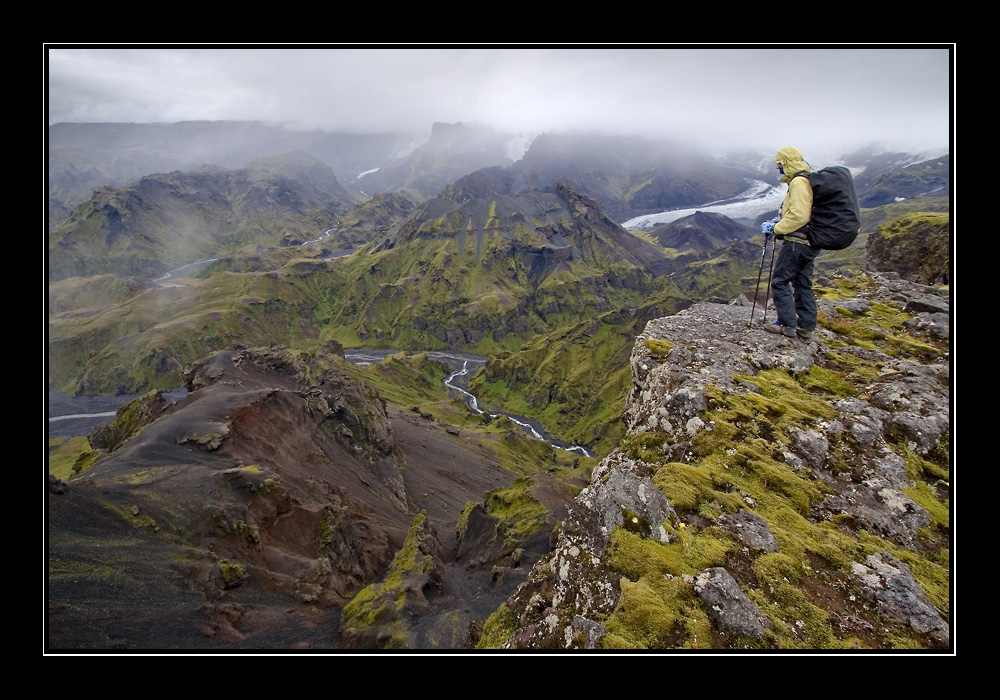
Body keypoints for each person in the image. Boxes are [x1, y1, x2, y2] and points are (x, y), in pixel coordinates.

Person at [759, 146, 819, 341]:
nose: (778, 168)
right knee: (802, 283)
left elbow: (800, 215)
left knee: (780, 280)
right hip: (809, 241)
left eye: (779, 164)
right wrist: (780, 221)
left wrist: (776, 228)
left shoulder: (798, 182)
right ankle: (807, 327)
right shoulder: (807, 180)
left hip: (796, 242)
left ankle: (786, 324)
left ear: (786, 162)